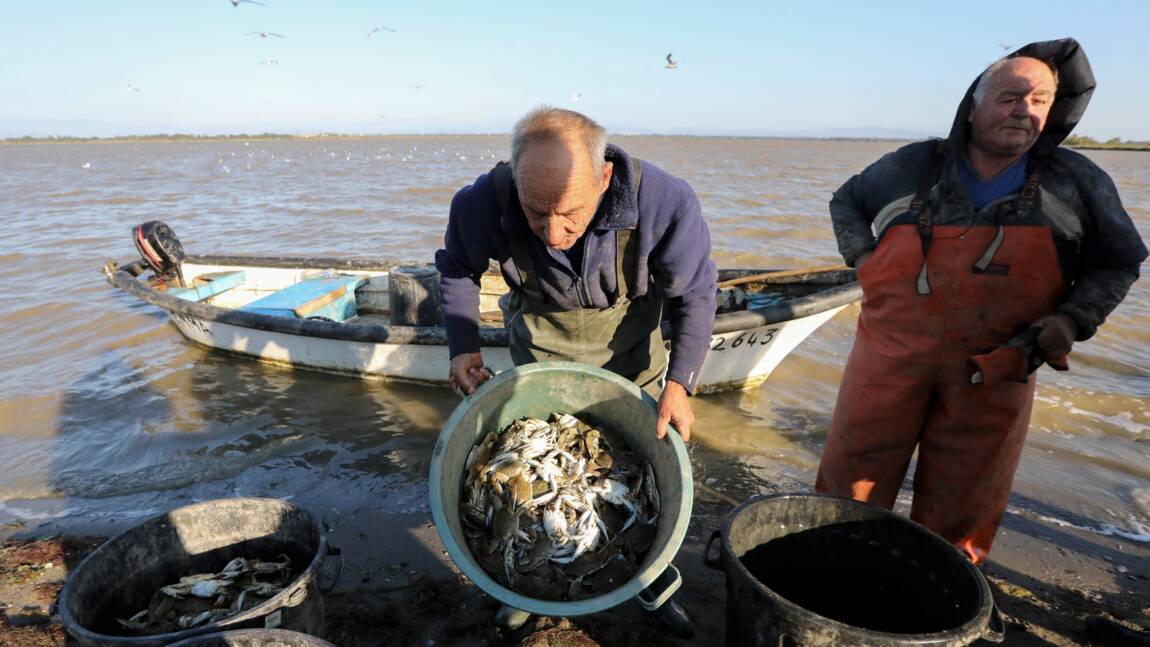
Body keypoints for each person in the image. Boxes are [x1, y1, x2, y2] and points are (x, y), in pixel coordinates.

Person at [816, 38, 1147, 564]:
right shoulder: (913, 165)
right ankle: (832, 569)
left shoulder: (1077, 182)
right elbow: (846, 201)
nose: (1024, 110)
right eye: (1011, 96)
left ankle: (939, 598)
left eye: (1039, 101)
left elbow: (1120, 261)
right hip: (888, 356)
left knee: (964, 501)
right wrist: (865, 260)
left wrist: (1075, 317)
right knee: (850, 480)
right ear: (973, 104)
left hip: (997, 367)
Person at [435, 107, 717, 440]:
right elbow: (458, 270)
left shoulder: (665, 202)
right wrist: (463, 346)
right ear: (516, 180)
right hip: (539, 359)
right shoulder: (481, 202)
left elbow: (694, 292)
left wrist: (680, 382)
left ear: (604, 178)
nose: (553, 235)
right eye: (536, 212)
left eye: (570, 213)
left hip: (634, 361)